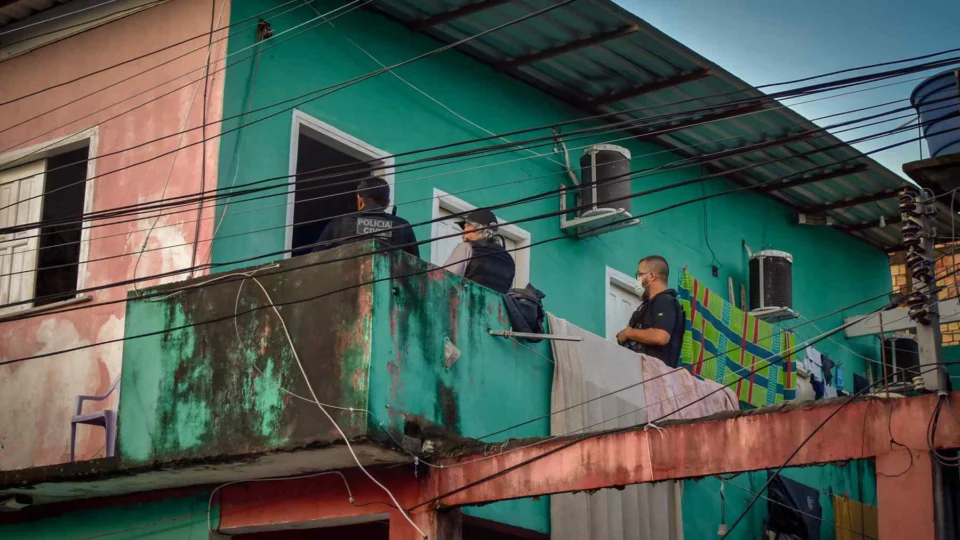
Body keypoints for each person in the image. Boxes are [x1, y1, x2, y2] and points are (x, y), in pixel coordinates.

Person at [314, 176, 419, 258]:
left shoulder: (339, 223)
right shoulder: (402, 226)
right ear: (387, 203)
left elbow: (314, 260)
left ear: (360, 199)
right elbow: (417, 269)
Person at [616, 255, 686, 368]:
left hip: (653, 375)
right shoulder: (649, 304)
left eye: (639, 274)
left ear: (652, 276)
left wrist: (629, 333)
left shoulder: (664, 301)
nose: (637, 280)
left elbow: (660, 336)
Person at [442, 208, 515, 294]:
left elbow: (446, 280)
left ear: (474, 228)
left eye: (465, 227)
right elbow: (507, 296)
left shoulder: (467, 248)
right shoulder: (509, 261)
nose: (462, 234)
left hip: (466, 305)